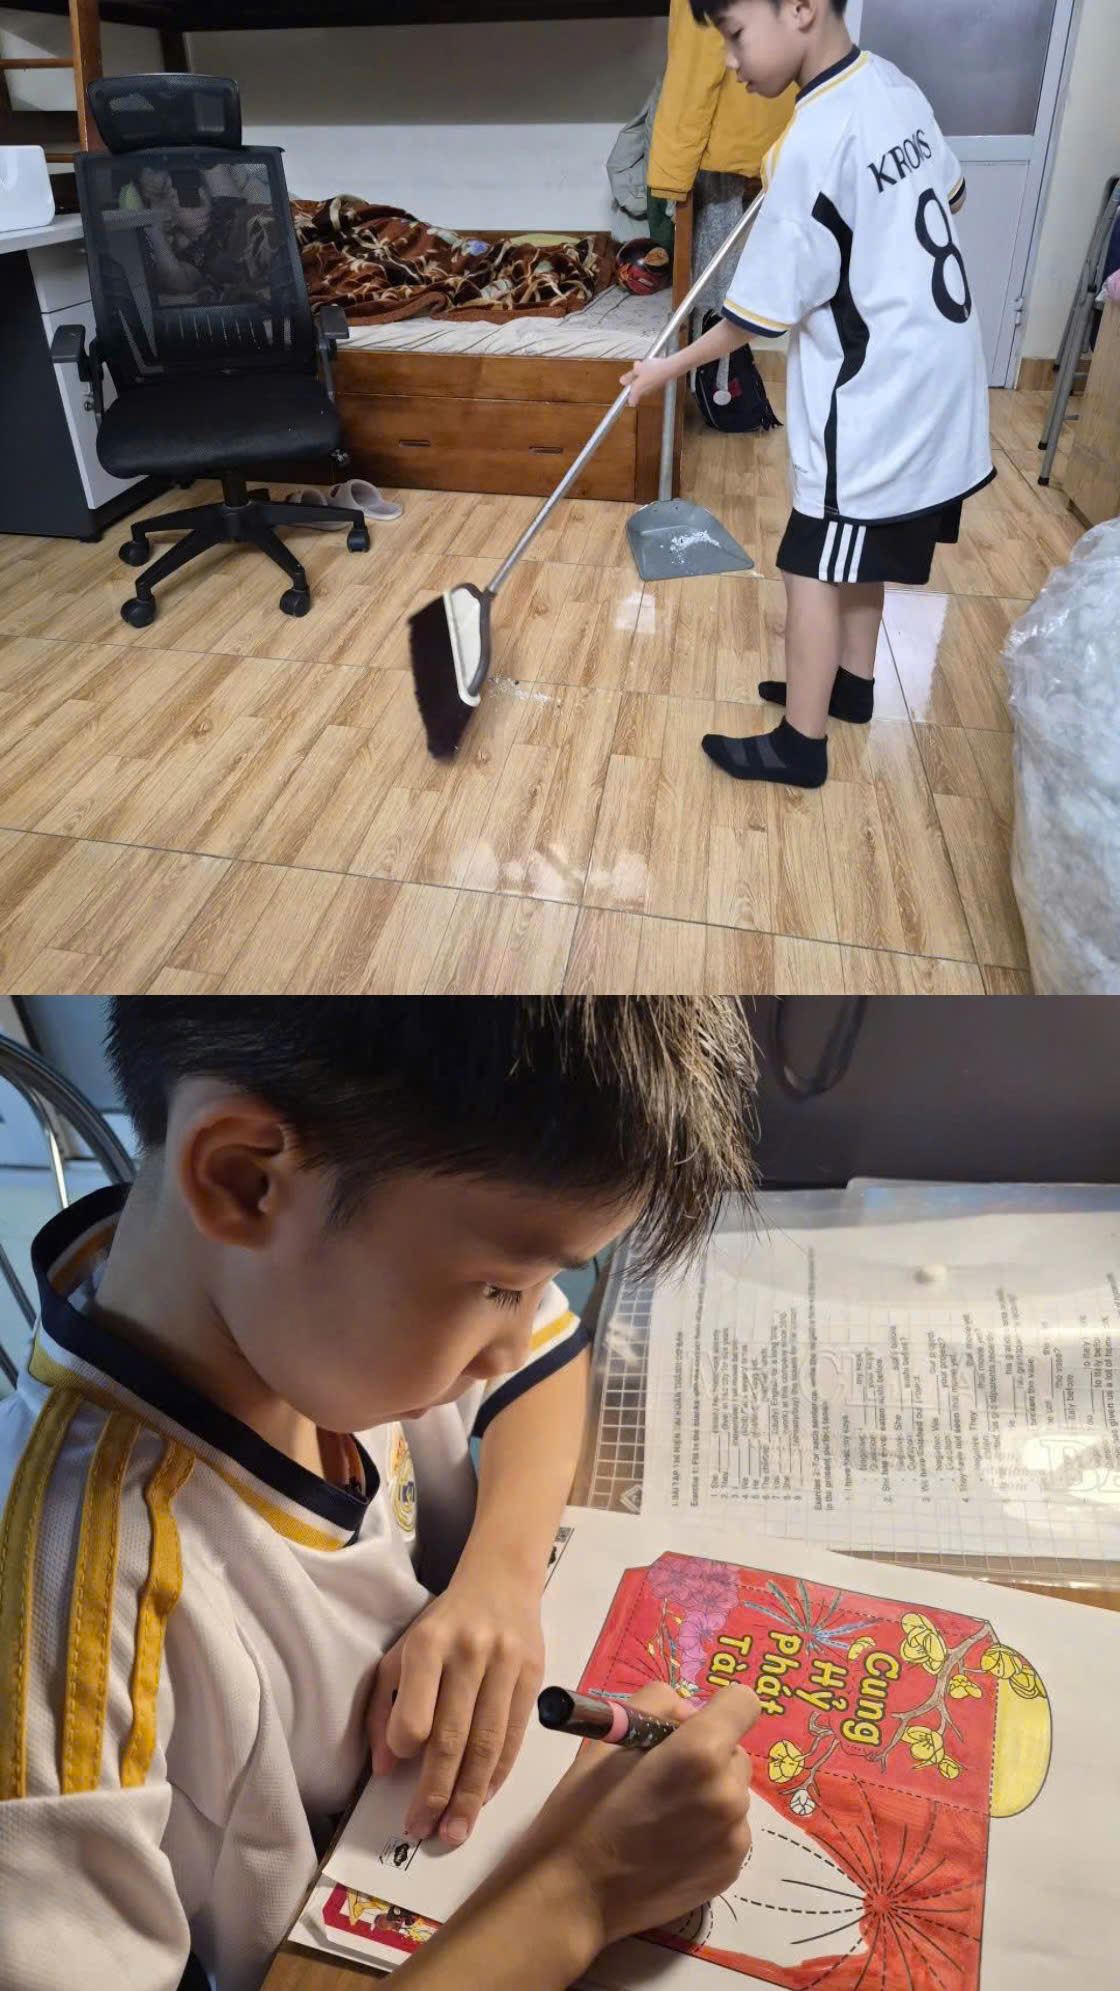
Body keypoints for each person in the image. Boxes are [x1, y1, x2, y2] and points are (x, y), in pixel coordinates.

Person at [0, 997, 760, 1991]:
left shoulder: (294, 1306)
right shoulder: (67, 1627)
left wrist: (498, 1579)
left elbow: (543, 1362)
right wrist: (581, 1888)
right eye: (500, 1285)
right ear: (242, 1178)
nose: (505, 1340)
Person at [623, 0, 993, 791]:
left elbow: (753, 317)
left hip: (878, 393)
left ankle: (800, 745)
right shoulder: (892, 87)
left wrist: (662, 369)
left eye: (735, 36)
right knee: (862, 541)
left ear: (798, 8)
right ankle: (849, 686)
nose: (730, 61)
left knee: (812, 562)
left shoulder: (814, 139)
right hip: (937, 376)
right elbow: (950, 196)